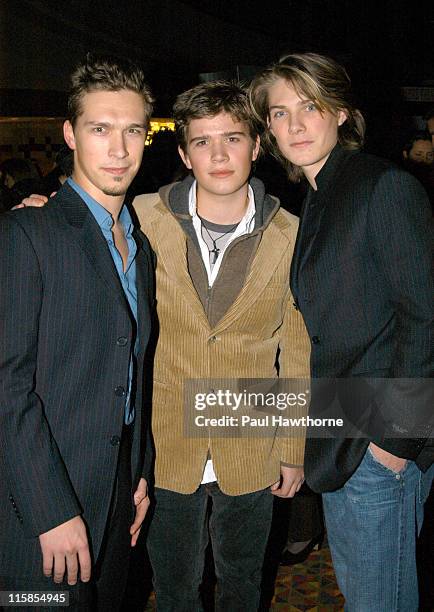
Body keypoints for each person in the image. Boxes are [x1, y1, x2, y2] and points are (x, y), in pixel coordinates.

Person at [20, 81, 311, 610]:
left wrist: (293, 449)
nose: (219, 155)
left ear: (256, 145)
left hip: (252, 441)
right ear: (183, 153)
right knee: (174, 589)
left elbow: (296, 349)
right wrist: (42, 209)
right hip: (164, 446)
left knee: (244, 585)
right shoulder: (140, 217)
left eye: (232, 138)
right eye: (202, 141)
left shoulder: (293, 234)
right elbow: (78, 222)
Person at [250, 52, 434, 611]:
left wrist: (393, 444)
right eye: (280, 113)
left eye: (310, 106)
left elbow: (425, 318)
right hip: (343, 430)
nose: (297, 124)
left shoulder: (383, 186)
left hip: (377, 441)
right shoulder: (320, 195)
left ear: (342, 113)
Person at [0, 54, 155, 611]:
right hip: (44, 499)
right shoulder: (27, 232)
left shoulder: (141, 248)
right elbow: (7, 386)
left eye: (133, 130)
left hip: (118, 489)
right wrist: (50, 509)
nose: (118, 150)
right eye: (100, 129)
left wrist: (138, 471)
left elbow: (136, 369)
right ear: (69, 134)